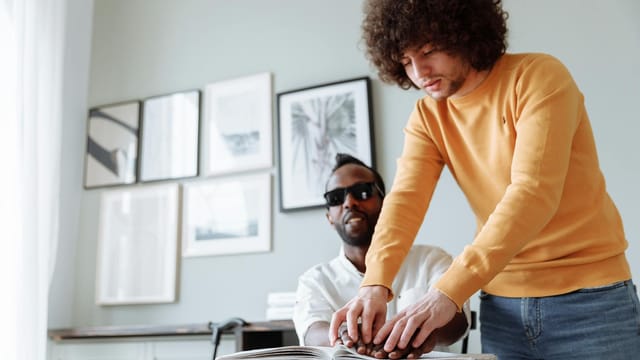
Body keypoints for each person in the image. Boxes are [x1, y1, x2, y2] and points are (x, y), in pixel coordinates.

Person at [328, 0, 640, 359]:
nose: (419, 71)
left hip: (591, 302)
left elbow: (533, 192)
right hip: (503, 308)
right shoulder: (428, 116)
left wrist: (447, 292)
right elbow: (404, 201)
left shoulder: (538, 76)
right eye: (405, 61)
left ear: (464, 32)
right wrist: (375, 284)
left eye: (428, 50)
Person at [293, 153, 470, 358]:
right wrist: (346, 336)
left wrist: (419, 333)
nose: (349, 202)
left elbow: (459, 323)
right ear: (329, 218)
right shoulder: (314, 280)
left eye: (362, 192)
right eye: (336, 198)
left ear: (388, 206)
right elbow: (311, 332)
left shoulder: (431, 259)